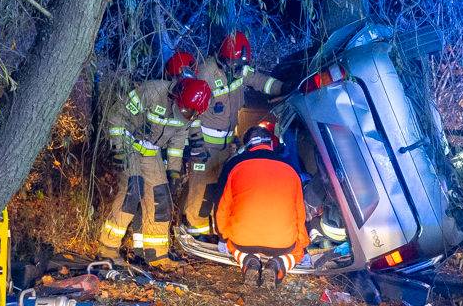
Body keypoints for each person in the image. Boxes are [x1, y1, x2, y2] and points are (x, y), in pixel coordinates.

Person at [98, 77, 212, 270]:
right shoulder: (153, 92)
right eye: (185, 110)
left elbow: (177, 142)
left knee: (160, 197)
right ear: (178, 97)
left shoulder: (189, 115)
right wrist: (118, 147)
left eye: (192, 114)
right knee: (131, 192)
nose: (187, 116)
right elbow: (117, 114)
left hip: (151, 152)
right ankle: (107, 250)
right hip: (129, 144)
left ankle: (156, 255)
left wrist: (173, 172)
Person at [184, 31, 286, 239]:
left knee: (219, 186)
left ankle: (213, 228)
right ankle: (195, 230)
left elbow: (260, 81)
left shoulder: (240, 69)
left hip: (227, 142)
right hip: (205, 145)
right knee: (200, 189)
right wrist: (196, 142)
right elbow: (192, 110)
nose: (237, 69)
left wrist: (284, 88)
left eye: (239, 65)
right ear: (224, 58)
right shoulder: (206, 74)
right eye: (233, 64)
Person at [215, 125, 309, 289]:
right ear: (271, 144)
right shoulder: (291, 169)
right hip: (282, 242)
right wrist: (303, 244)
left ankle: (248, 261)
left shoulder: (235, 166)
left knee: (232, 243)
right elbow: (299, 213)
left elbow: (223, 208)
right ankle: (278, 264)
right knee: (297, 251)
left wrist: (223, 237)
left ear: (247, 146)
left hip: (243, 239)